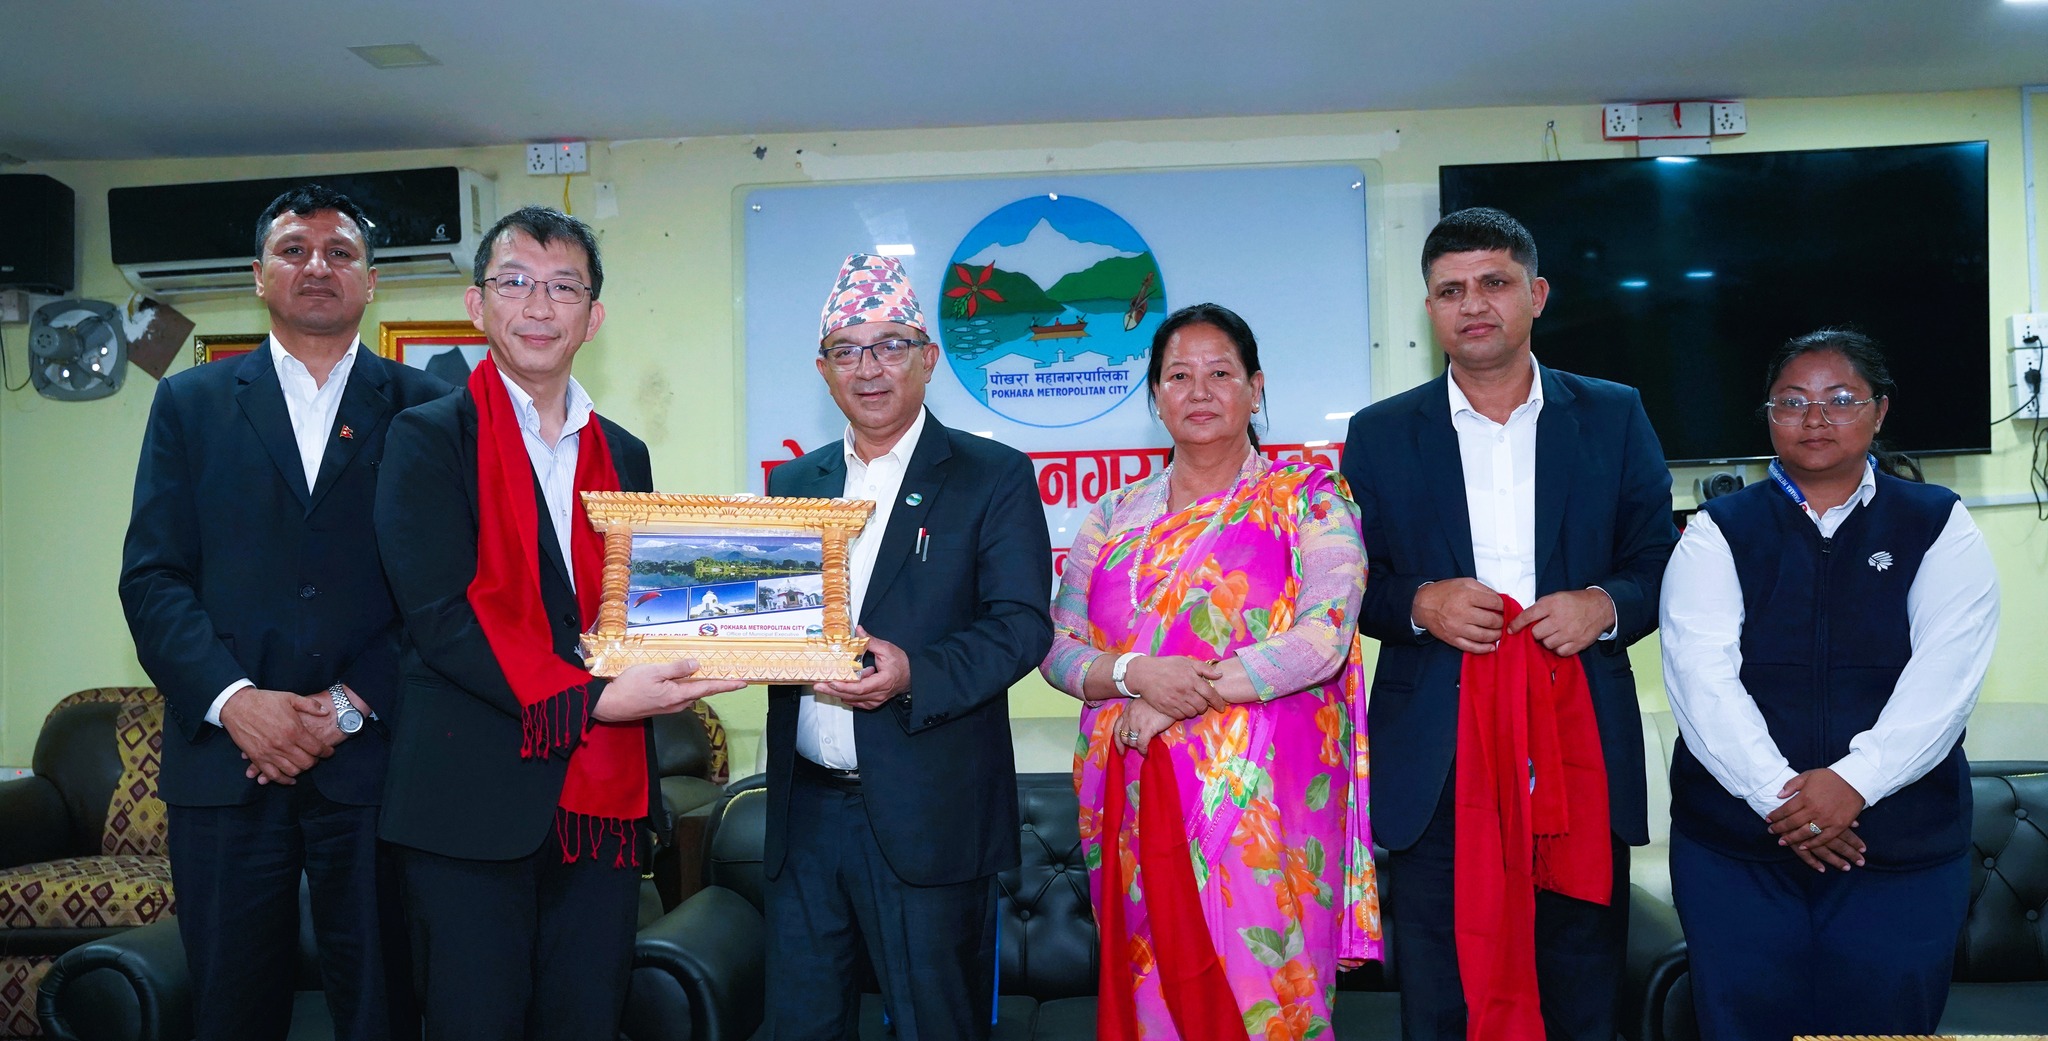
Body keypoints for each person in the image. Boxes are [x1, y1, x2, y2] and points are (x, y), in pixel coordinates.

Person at [373, 206, 746, 1041]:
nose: (538, 306)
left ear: (593, 316)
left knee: (587, 1021)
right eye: (515, 282)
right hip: (466, 802)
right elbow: (438, 615)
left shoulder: (626, 453)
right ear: (478, 305)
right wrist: (594, 699)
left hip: (600, 811)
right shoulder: (425, 438)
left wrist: (729, 630)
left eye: (563, 287)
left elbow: (640, 608)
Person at [118, 184, 450, 1041]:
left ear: (371, 281)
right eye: (294, 250)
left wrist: (347, 704)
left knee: (384, 1006)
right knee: (230, 1008)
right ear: (258, 275)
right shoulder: (188, 403)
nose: (317, 266)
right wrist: (237, 702)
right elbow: (153, 578)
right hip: (224, 763)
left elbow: (446, 588)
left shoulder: (427, 409)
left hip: (376, 762)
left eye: (341, 252)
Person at [1340, 207, 1678, 1041]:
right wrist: (1420, 604)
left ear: (1537, 294)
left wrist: (1605, 605)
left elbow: (1660, 559)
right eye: (1450, 289)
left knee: (1579, 988)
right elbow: (1346, 586)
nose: (1473, 304)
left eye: (1494, 282)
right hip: (1438, 749)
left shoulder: (1613, 414)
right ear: (1430, 308)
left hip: (1576, 736)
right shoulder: (1380, 434)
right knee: (1444, 995)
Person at [1041, 302, 1381, 1040]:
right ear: (1155, 396)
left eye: (1220, 373)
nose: (1199, 391)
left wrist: (1179, 695)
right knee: (1156, 1000)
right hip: (1134, 791)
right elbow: (1058, 648)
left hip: (1268, 805)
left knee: (1267, 999)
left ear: (1255, 388)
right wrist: (1137, 674)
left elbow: (1323, 637)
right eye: (1178, 375)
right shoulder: (1112, 515)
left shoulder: (1310, 497)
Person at [1659, 328, 1998, 1040]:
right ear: (1769, 414)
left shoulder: (1938, 522)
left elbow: (1946, 676)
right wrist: (1783, 799)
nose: (1815, 418)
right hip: (1738, 852)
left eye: (1840, 400)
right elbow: (1700, 677)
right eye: (1792, 401)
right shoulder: (1718, 528)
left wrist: (1853, 784)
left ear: (1880, 410)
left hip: (1896, 848)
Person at [761, 253, 1053, 1041]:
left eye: (890, 345)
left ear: (929, 357)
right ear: (823, 370)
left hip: (932, 815)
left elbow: (1022, 623)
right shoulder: (793, 484)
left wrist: (913, 673)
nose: (869, 368)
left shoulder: (992, 475)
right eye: (847, 350)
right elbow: (772, 618)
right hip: (805, 815)